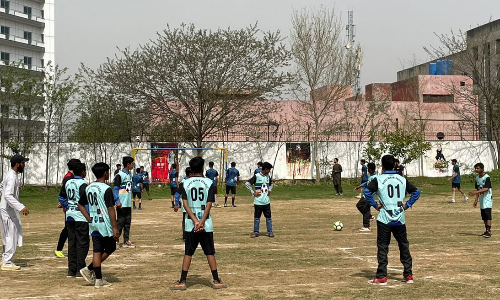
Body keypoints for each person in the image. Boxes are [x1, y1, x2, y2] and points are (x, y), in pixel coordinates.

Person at [170, 157, 227, 290]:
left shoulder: (185, 183)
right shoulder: (209, 182)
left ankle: (183, 281)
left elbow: (185, 204)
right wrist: (201, 222)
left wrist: (195, 221)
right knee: (210, 252)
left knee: (188, 252)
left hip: (191, 224)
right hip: (206, 223)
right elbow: (209, 204)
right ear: (202, 168)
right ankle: (217, 280)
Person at [364, 154, 421, 285]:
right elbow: (416, 192)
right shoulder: (402, 179)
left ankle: (381, 276)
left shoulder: (379, 179)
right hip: (399, 217)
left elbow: (367, 192)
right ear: (395, 165)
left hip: (384, 217)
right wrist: (407, 205)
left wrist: (375, 205)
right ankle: (408, 275)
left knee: (383, 246)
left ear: (382, 165)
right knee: (403, 245)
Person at [78, 162, 120, 288]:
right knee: (111, 247)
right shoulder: (106, 189)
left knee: (97, 251)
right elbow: (110, 208)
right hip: (104, 224)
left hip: (94, 223)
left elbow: (80, 204)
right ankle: (90, 270)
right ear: (105, 173)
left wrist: (88, 218)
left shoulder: (89, 187)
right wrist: (115, 227)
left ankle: (98, 280)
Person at [58, 162, 89, 277]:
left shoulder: (68, 182)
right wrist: (89, 216)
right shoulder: (83, 184)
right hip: (80, 217)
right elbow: (85, 202)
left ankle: (71, 270)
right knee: (82, 244)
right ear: (82, 172)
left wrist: (67, 207)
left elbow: (61, 196)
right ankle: (80, 269)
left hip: (69, 216)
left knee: (72, 243)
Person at [0, 154, 30, 270]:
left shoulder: (10, 175)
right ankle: (7, 262)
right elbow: (7, 195)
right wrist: (21, 207)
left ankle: (6, 259)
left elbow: (2, 187)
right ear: (17, 164)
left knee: (8, 234)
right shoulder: (12, 177)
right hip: (8, 211)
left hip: (6, 209)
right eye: (23, 163)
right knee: (10, 235)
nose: (24, 165)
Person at [55, 158, 81, 258]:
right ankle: (59, 249)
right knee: (68, 229)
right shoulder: (69, 178)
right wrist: (66, 205)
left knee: (69, 228)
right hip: (71, 208)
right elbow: (63, 194)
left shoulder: (70, 176)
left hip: (71, 208)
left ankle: (64, 249)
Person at [245, 162, 274, 238]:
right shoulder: (257, 176)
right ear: (265, 169)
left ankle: (270, 232)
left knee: (268, 218)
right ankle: (256, 232)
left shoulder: (268, 177)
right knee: (257, 218)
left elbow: (271, 184)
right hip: (258, 202)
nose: (269, 171)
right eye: (269, 169)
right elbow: (247, 184)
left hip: (266, 201)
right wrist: (253, 192)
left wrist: (270, 190)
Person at [113, 156, 134, 248]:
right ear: (128, 164)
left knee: (127, 222)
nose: (133, 165)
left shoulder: (129, 174)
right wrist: (117, 201)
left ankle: (126, 240)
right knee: (120, 222)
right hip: (121, 203)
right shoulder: (119, 175)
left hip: (128, 203)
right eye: (132, 163)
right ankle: (116, 240)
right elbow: (115, 189)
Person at [469, 163, 492, 238]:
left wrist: (475, 192)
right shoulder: (477, 178)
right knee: (483, 215)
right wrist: (476, 200)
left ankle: (488, 231)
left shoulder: (487, 177)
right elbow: (478, 188)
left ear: (482, 169)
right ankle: (486, 230)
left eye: (478, 168)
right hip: (482, 199)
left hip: (487, 199)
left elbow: (487, 188)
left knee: (487, 214)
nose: (476, 170)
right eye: (475, 168)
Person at [355, 162, 376, 232]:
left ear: (371, 169)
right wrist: (360, 186)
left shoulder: (375, 178)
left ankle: (366, 226)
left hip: (369, 196)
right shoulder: (370, 175)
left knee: (366, 209)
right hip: (365, 195)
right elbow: (367, 183)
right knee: (359, 205)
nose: (368, 170)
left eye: (368, 169)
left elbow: (373, 188)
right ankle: (369, 216)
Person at [174, 167, 193, 241]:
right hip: (186, 205)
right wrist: (176, 204)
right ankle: (185, 236)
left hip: (193, 204)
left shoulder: (193, 181)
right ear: (190, 174)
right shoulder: (183, 182)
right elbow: (177, 194)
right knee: (186, 219)